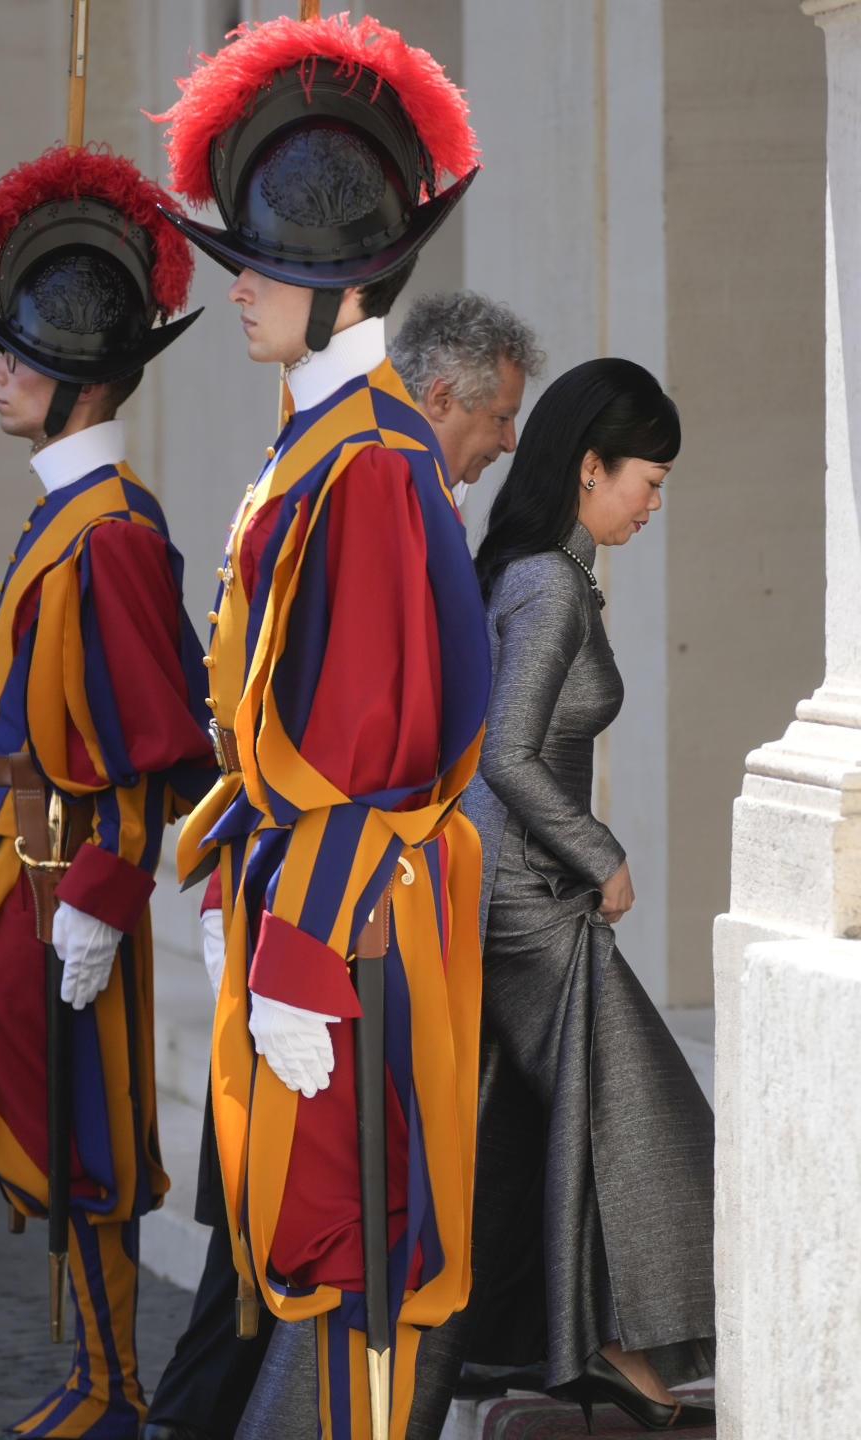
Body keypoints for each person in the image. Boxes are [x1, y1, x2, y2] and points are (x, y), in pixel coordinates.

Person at [143, 15, 490, 1440]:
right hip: (304, 902)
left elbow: (371, 735)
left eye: (263, 269)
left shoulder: (367, 462)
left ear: (339, 287)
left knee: (357, 1249)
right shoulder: (324, 442)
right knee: (302, 1236)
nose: (237, 293)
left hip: (349, 924)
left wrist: (296, 944)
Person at [0, 143, 215, 1440]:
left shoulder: (107, 528)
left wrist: (104, 901)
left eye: (17, 352)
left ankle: (113, 1390)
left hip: (64, 876)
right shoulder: (70, 512)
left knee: (88, 1140)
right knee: (55, 1132)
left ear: (72, 376)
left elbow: (150, 744)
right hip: (19, 859)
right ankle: (86, 1374)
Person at [408, 358, 716, 1436]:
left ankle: (568, 1353)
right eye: (649, 477)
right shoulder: (544, 583)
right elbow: (507, 753)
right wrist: (601, 853)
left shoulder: (549, 572)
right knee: (652, 1114)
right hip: (529, 901)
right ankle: (620, 1342)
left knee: (520, 1135)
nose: (655, 501)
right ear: (590, 466)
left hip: (511, 897)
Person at [390, 290, 543, 501]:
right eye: (501, 419)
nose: (510, 443)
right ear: (441, 399)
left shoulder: (428, 490)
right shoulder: (371, 490)